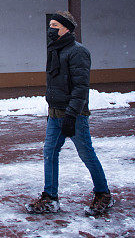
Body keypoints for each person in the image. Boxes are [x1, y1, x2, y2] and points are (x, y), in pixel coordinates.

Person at [26, 11, 113, 217]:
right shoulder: (55, 49)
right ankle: (50, 197)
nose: (51, 28)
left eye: (55, 25)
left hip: (74, 115)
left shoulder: (78, 52)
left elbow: (81, 88)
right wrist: (51, 110)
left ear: (66, 28)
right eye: (50, 24)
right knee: (49, 153)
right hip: (55, 114)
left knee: (86, 154)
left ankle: (103, 194)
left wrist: (72, 116)